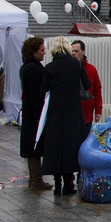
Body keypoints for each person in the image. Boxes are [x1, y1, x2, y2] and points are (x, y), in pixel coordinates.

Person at [41, 37, 91, 195]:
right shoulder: (76, 65)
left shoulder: (49, 67)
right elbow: (87, 84)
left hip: (55, 112)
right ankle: (69, 183)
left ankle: (57, 183)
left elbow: (43, 88)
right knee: (71, 146)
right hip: (73, 111)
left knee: (55, 146)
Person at [19, 36, 49, 190]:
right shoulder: (33, 69)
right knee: (34, 148)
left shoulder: (27, 67)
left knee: (33, 148)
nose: (44, 53)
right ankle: (36, 179)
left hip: (31, 114)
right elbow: (36, 94)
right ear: (34, 51)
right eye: (42, 50)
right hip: (35, 115)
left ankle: (35, 178)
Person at [70, 39, 102, 138]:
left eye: (77, 51)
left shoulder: (91, 69)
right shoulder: (68, 68)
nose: (74, 53)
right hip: (72, 114)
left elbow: (97, 90)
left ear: (83, 52)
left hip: (86, 114)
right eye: (72, 51)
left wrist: (98, 110)